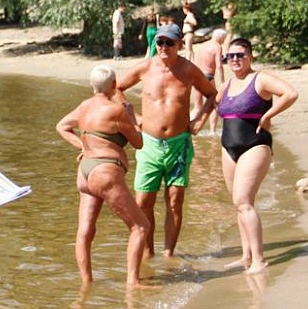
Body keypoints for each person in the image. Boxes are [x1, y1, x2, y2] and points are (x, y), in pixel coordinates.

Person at [117, 23, 217, 257]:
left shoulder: (189, 70)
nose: (163, 47)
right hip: (148, 144)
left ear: (179, 44)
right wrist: (134, 117)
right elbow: (116, 89)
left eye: (168, 43)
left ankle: (168, 254)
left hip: (178, 145)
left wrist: (200, 120)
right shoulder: (145, 68)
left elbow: (212, 93)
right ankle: (148, 253)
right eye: (159, 42)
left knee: (174, 201)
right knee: (143, 202)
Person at [55, 64, 150, 287]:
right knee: (140, 226)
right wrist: (132, 118)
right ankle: (133, 283)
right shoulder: (116, 111)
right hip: (105, 173)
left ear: (91, 85)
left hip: (85, 172)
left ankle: (86, 284)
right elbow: (138, 142)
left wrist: (82, 146)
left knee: (85, 229)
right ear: (114, 86)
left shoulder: (83, 106)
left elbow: (61, 126)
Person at [216, 37, 298, 274]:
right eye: (230, 56)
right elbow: (215, 103)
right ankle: (246, 256)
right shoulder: (227, 85)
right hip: (228, 148)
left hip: (255, 145)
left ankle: (259, 260)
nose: (235, 60)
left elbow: (290, 94)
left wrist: (267, 115)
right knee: (239, 204)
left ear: (250, 56)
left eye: (240, 55)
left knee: (243, 201)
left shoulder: (260, 79)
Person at [193, 28, 227, 136]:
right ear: (220, 37)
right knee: (214, 103)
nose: (223, 41)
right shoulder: (217, 47)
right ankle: (212, 131)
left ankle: (188, 129)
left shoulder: (201, 46)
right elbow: (219, 66)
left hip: (196, 76)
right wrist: (222, 82)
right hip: (207, 76)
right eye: (224, 39)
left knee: (197, 106)